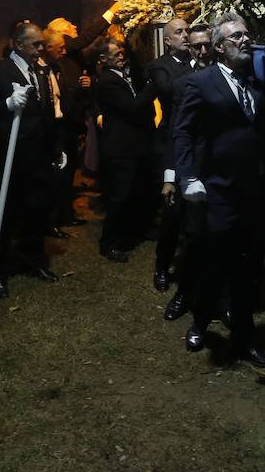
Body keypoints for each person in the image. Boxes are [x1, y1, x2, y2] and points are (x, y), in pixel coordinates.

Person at [173, 13, 265, 368]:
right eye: (236, 37)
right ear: (219, 47)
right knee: (215, 262)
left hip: (255, 192)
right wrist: (187, 177)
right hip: (218, 190)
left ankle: (245, 337)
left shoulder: (257, 81)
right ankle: (201, 321)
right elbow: (183, 132)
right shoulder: (202, 83)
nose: (245, 40)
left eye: (247, 35)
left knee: (250, 267)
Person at [0, 21, 64, 298]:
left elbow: (47, 113)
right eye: (35, 44)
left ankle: (32, 259)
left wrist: (56, 146)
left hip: (38, 155)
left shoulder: (40, 71)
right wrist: (7, 105)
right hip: (10, 156)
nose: (40, 49)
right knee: (7, 212)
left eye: (41, 44)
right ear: (17, 44)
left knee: (38, 210)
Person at [161, 24, 215, 321]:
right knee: (192, 235)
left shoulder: (230, 76)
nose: (203, 51)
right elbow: (176, 133)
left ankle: (221, 298)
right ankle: (183, 293)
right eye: (196, 47)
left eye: (207, 44)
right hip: (193, 169)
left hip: (222, 169)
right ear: (189, 49)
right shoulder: (183, 84)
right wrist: (171, 177)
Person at [92, 35, 157, 263]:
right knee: (120, 196)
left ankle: (137, 231)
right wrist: (152, 87)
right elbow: (132, 107)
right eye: (116, 53)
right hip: (121, 149)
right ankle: (109, 243)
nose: (122, 55)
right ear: (103, 58)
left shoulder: (123, 75)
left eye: (122, 51)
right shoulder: (108, 81)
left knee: (138, 191)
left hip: (135, 145)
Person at [147, 18, 194, 290]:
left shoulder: (197, 61)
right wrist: (199, 70)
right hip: (170, 140)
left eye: (187, 30)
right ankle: (162, 266)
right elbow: (168, 89)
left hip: (193, 141)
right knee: (172, 213)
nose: (185, 36)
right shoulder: (159, 66)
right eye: (179, 32)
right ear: (167, 41)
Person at [42, 23, 91, 229]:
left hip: (66, 126)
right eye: (60, 47)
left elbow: (64, 98)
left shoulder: (59, 66)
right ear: (48, 48)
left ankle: (64, 214)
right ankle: (53, 220)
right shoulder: (44, 70)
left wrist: (81, 88)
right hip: (53, 130)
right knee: (57, 174)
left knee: (68, 172)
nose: (64, 50)